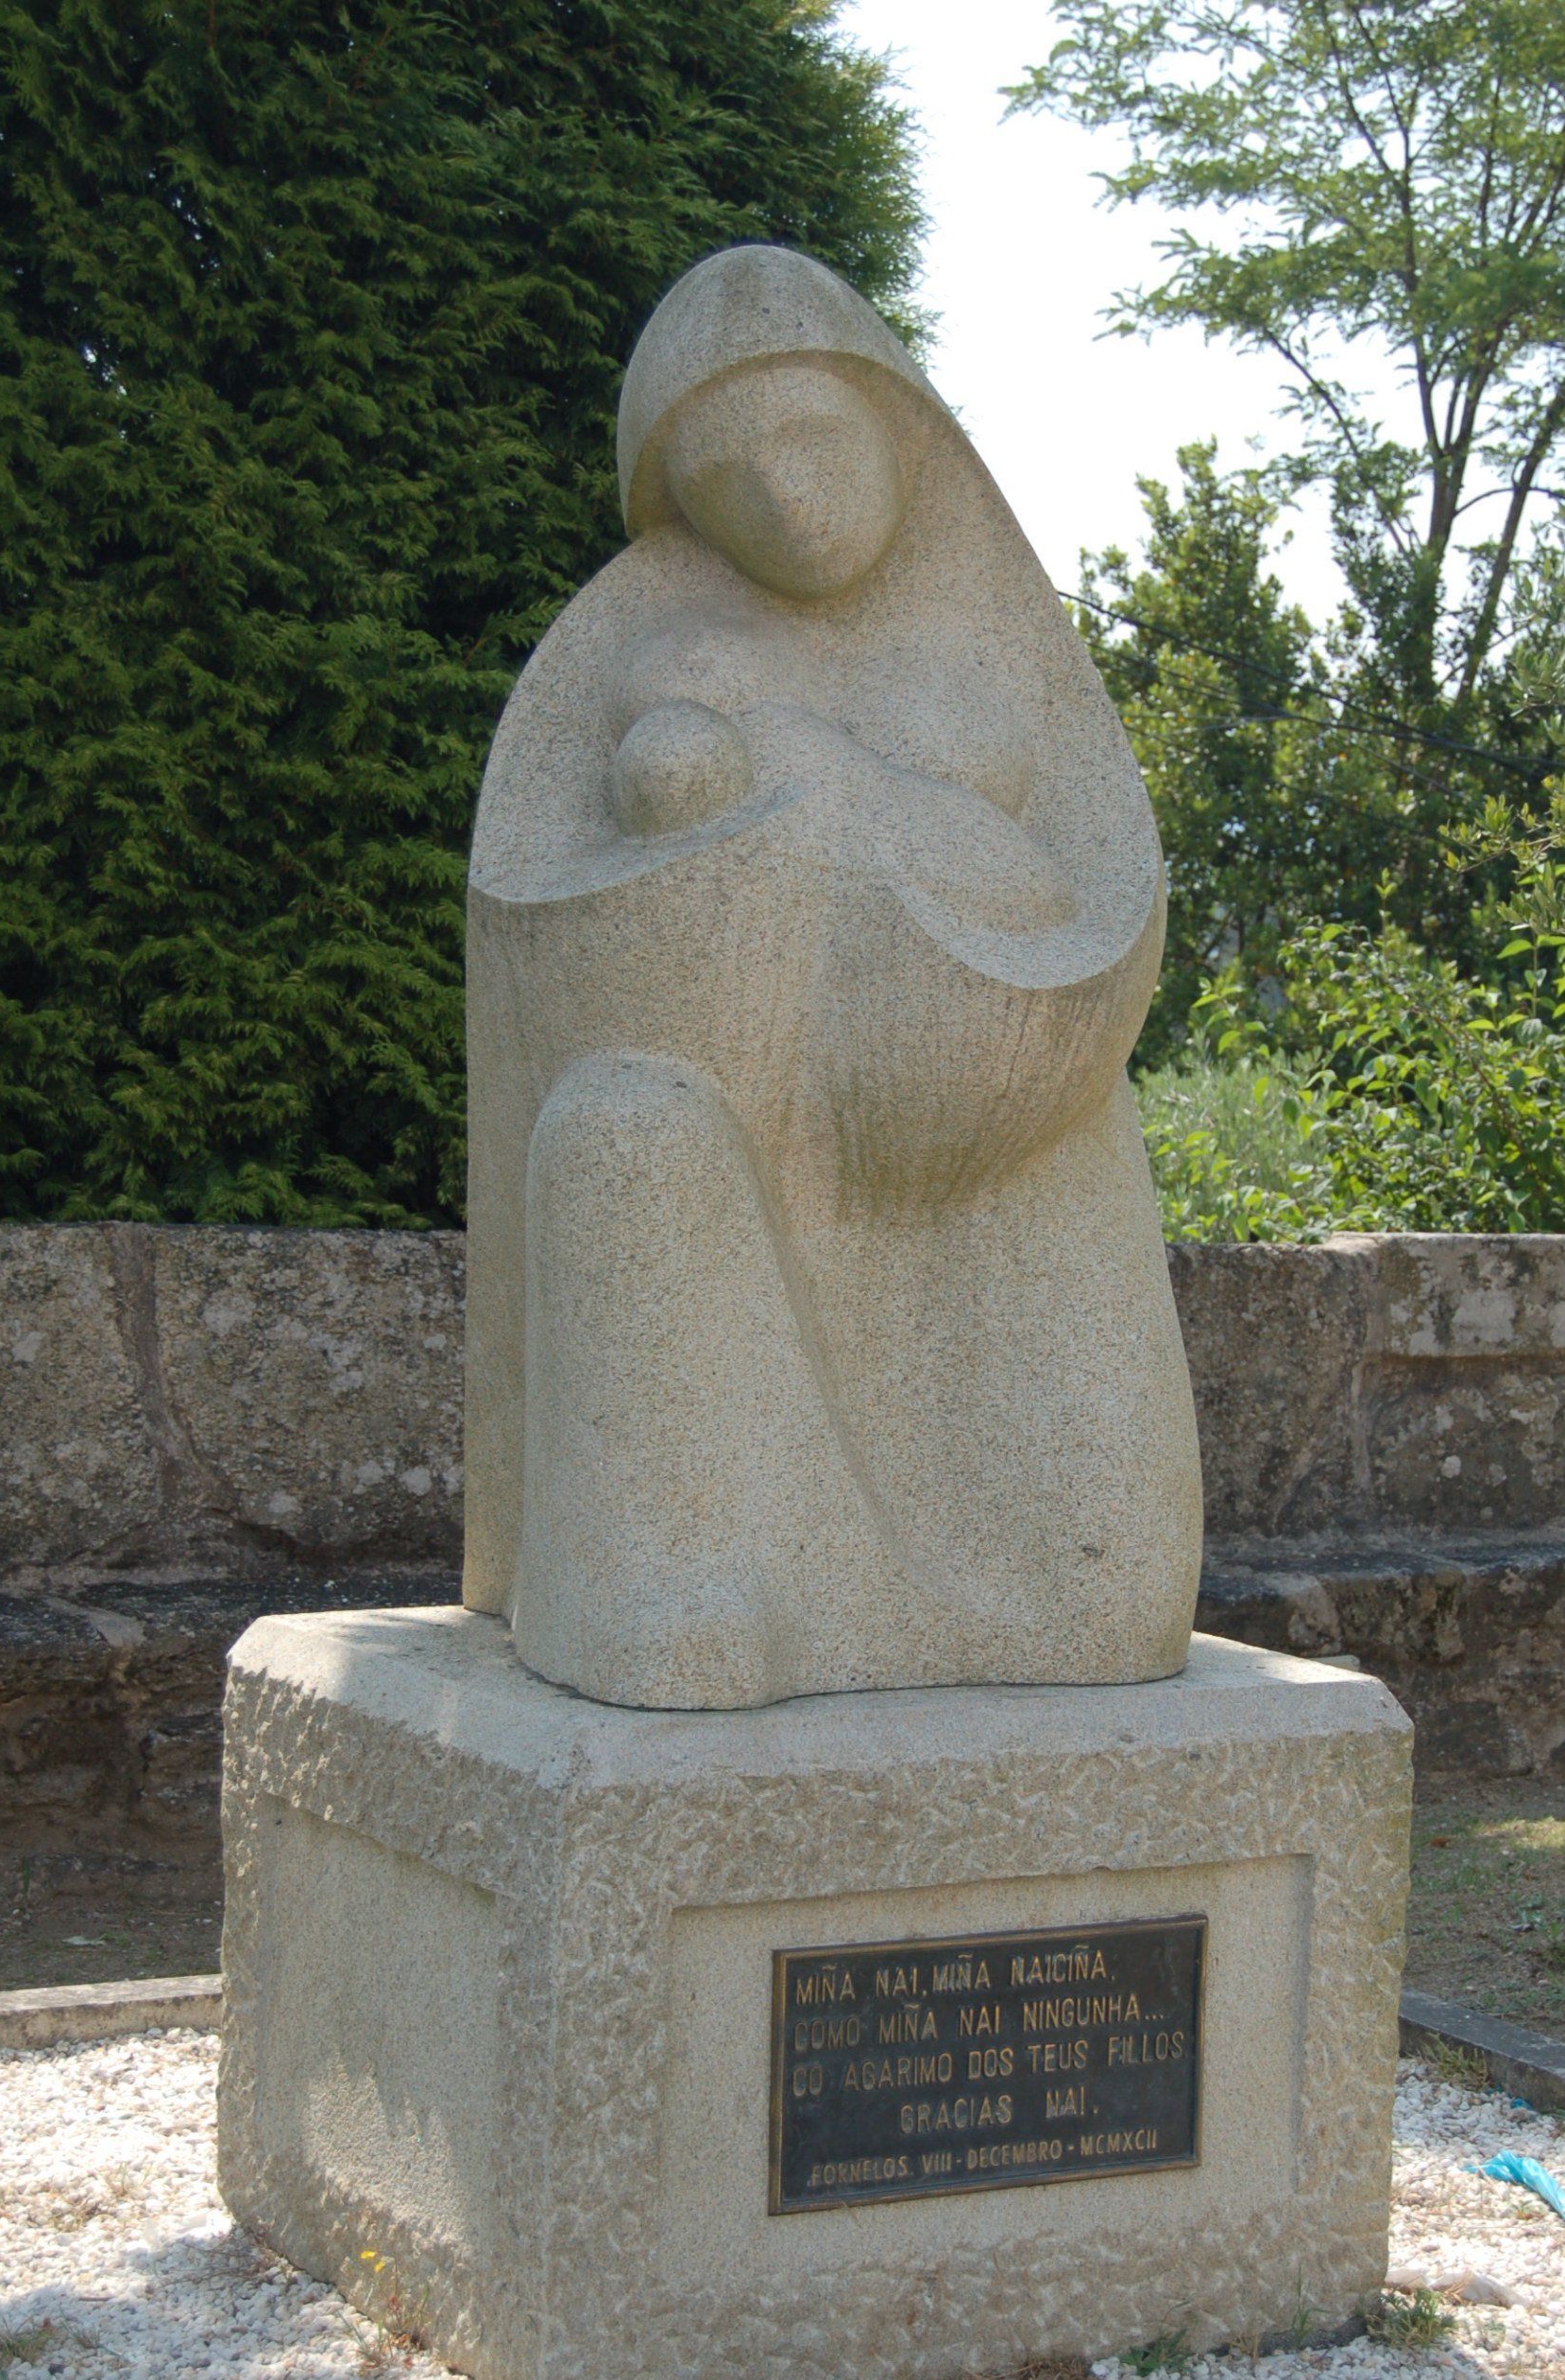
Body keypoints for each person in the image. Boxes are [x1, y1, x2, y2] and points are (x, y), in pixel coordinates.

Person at [464, 245, 1201, 1709]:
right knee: (621, 1126)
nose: (786, 501)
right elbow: (559, 922)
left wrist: (849, 804)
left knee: (1113, 1601)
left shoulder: (990, 638)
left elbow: (1088, 902)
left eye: (810, 440)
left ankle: (993, 1591)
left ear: (893, 424)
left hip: (994, 1120)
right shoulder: (670, 656)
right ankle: (665, 1576)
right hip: (753, 1121)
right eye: (730, 480)